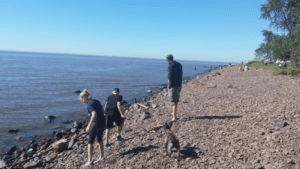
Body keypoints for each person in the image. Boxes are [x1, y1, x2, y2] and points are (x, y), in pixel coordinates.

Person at [79, 89, 105, 167]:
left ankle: (89, 161)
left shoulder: (89, 104)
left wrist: (88, 125)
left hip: (96, 123)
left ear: (86, 97)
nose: (80, 99)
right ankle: (101, 157)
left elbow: (94, 114)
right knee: (99, 139)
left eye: (81, 97)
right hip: (102, 122)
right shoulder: (96, 101)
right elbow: (102, 109)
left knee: (90, 142)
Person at [166, 54, 183, 122]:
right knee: (176, 101)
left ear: (168, 60)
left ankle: (174, 117)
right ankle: (174, 114)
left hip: (173, 86)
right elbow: (181, 74)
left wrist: (168, 87)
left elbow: (170, 78)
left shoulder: (170, 66)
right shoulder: (179, 64)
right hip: (179, 85)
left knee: (173, 102)